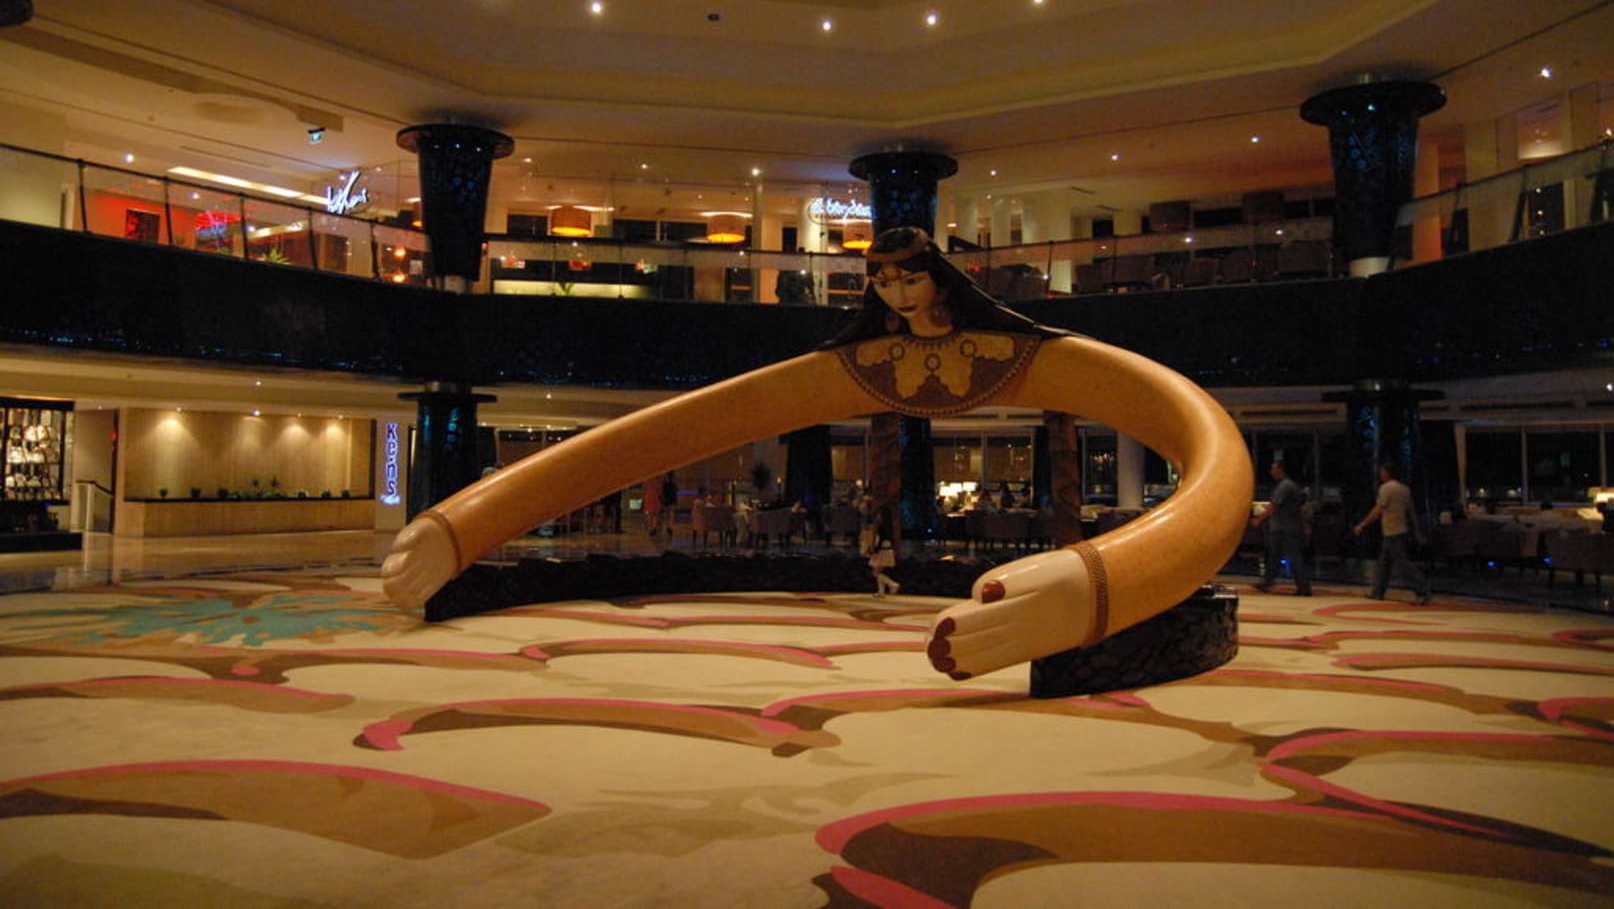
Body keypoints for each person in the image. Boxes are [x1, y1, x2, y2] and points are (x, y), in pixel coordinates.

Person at [382, 226, 1255, 683]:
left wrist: (1099, 581)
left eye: (909, 276)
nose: (896, 290)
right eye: (882, 280)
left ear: (941, 278)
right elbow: (643, 441)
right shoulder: (854, 361)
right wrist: (462, 524)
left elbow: (1215, 472)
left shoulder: (1035, 353)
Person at [1353, 460, 1431, 605]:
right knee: (1384, 564)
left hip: (1392, 531)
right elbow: (1411, 513)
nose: (1380, 474)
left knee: (1403, 565)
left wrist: (1362, 524)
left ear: (1387, 473)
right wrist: (1416, 531)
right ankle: (1377, 591)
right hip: (1401, 530)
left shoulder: (1386, 489)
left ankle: (1422, 590)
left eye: (1382, 471)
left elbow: (1378, 510)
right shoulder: (1405, 489)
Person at [1251, 458, 1310, 595]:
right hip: (1287, 527)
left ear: (1280, 469)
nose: (1271, 472)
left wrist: (1259, 519)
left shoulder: (1284, 486)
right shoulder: (1291, 486)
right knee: (1276, 557)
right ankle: (1267, 582)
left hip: (1284, 528)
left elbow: (1274, 506)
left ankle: (1303, 587)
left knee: (1292, 558)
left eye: (1273, 469)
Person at [860, 504, 900, 596]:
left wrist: (875, 551)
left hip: (883, 550)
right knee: (878, 571)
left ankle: (893, 584)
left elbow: (881, 540)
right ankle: (881, 591)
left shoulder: (882, 527)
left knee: (876, 572)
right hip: (888, 550)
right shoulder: (891, 526)